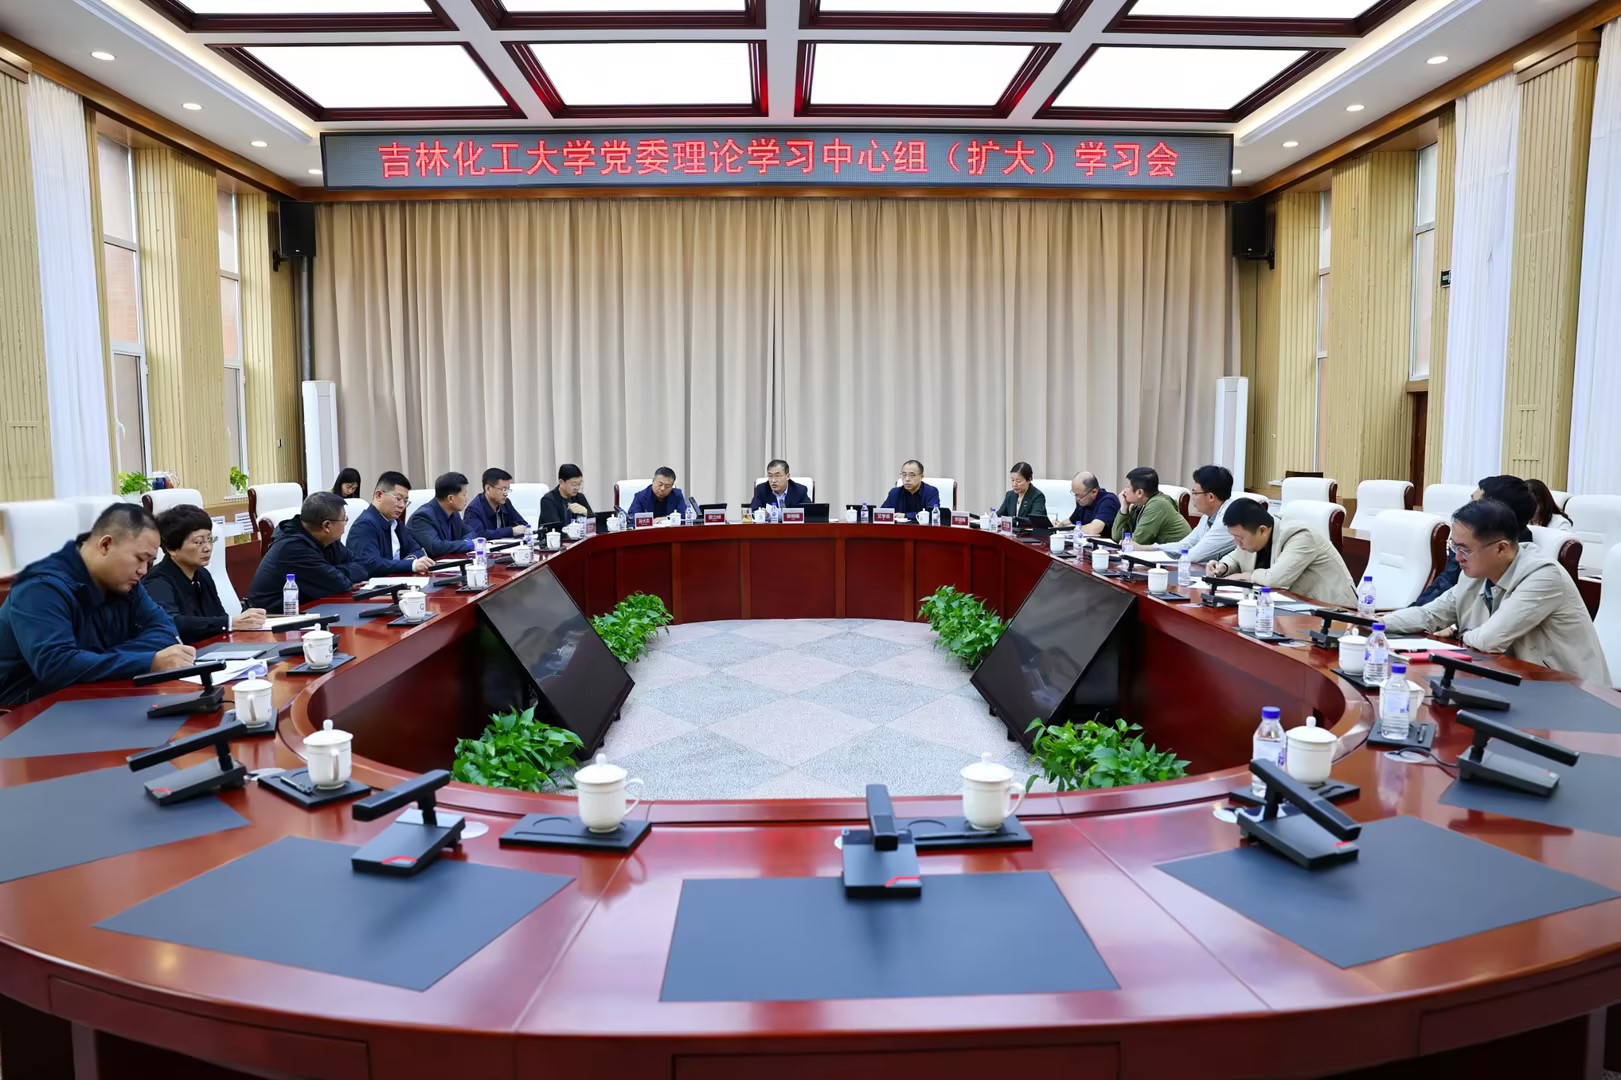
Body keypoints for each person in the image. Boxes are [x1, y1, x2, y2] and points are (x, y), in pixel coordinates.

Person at [1383, 500, 1608, 684]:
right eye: (1454, 547)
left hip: (1570, 691)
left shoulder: (1544, 575)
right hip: (1514, 679)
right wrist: (1376, 623)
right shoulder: (1475, 573)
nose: (1457, 557)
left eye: (1464, 550)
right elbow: (1429, 615)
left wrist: (1457, 632)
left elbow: (1489, 640)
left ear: (1501, 548)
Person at [0, 503, 191, 707]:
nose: (143, 570)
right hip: (27, 709)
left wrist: (93, 660)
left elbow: (166, 631)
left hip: (98, 692)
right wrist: (149, 661)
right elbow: (57, 667)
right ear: (105, 545)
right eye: (139, 559)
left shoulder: (126, 584)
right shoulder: (40, 588)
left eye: (150, 563)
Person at [145, 505, 268, 643]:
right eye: (199, 542)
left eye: (210, 540)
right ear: (171, 549)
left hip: (216, 647)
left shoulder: (203, 574)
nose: (208, 548)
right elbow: (172, 622)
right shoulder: (157, 581)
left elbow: (219, 616)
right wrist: (230, 623)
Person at [1207, 497, 1358, 607]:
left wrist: (1246, 576)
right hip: (1294, 608)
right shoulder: (1255, 537)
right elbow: (1236, 557)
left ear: (1262, 531)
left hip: (1335, 612)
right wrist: (1223, 567)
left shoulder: (1300, 536)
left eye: (1239, 537)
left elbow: (1275, 580)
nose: (1236, 542)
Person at [1414, 475, 1536, 606]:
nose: (1467, 509)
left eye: (1474, 503)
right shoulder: (1468, 541)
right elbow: (1445, 586)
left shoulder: (1531, 574)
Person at [248, 492, 369, 609]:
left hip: (314, 608)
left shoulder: (329, 541)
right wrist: (337, 575)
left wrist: (334, 572)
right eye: (344, 519)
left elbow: (362, 567)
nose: (345, 524)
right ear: (327, 526)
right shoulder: (293, 548)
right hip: (273, 617)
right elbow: (339, 584)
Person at [344, 471, 436, 577]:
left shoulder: (395, 522)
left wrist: (411, 560)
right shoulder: (364, 525)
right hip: (375, 584)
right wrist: (411, 565)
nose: (402, 505)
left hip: (398, 580)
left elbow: (417, 550)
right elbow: (372, 564)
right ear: (379, 495)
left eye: (405, 501)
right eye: (398, 499)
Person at [1161, 465, 1235, 564]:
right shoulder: (1208, 516)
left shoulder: (1228, 518)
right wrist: (1152, 548)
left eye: (1195, 493)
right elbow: (1186, 545)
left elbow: (1194, 556)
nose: (1192, 497)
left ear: (1211, 497)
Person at [1112, 467, 1190, 546]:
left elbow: (1136, 542)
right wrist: (1124, 508)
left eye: (1127, 487)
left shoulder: (1158, 505)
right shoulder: (1138, 505)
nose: (1124, 491)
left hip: (1178, 553)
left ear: (1139, 493)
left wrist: (1125, 542)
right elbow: (1117, 537)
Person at [408, 472, 477, 558]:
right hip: (429, 564)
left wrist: (467, 542)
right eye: (464, 494)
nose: (467, 498)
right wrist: (468, 544)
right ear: (450, 498)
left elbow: (470, 531)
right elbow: (436, 547)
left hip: (451, 562)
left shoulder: (453, 513)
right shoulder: (422, 517)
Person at [463, 467, 530, 540]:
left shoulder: (505, 503)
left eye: (507, 489)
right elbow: (479, 534)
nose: (506, 494)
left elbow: (523, 524)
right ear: (488, 488)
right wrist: (511, 531)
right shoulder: (473, 510)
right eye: (503, 489)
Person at [1068, 472, 1120, 536]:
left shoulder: (1109, 501)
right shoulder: (1083, 501)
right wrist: (1060, 524)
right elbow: (1072, 521)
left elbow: (1095, 529)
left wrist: (1075, 528)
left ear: (1094, 492)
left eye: (1080, 495)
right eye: (1075, 494)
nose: (1077, 499)